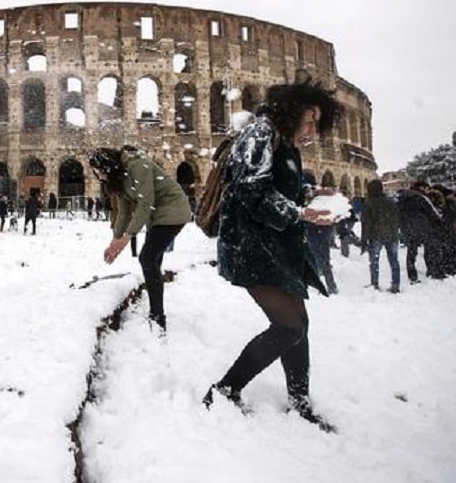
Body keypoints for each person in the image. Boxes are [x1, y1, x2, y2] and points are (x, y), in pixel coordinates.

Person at [202, 80, 341, 433]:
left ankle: (300, 400)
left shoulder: (284, 140)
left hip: (277, 245)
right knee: (288, 326)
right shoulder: (260, 134)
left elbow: (282, 185)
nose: (312, 131)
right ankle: (225, 389)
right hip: (251, 246)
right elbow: (251, 190)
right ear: (292, 112)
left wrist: (311, 193)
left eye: (316, 124)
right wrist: (299, 214)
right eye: (309, 122)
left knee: (299, 326)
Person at [90, 145, 192, 332]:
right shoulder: (119, 178)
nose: (99, 177)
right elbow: (123, 212)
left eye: (99, 172)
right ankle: (156, 313)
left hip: (173, 211)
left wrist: (128, 237)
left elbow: (146, 203)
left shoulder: (138, 166)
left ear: (108, 166)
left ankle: (157, 317)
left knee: (147, 258)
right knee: (152, 262)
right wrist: (115, 240)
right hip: (157, 218)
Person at [360, 179, 402, 292]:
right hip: (392, 235)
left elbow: (366, 224)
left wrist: (364, 241)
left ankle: (374, 284)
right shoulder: (391, 202)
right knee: (394, 261)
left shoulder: (368, 203)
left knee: (374, 261)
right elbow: (398, 219)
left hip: (376, 235)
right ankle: (396, 284)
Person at [302, 171, 338, 295]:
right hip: (326, 228)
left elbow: (307, 211)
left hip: (314, 227)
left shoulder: (312, 193)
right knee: (323, 257)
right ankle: (330, 285)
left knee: (316, 256)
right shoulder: (330, 194)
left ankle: (323, 284)